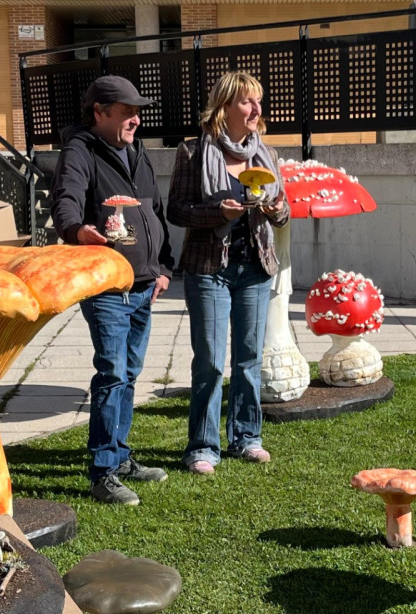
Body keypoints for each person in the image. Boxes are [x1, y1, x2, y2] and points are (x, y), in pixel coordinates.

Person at [50, 75, 175, 505]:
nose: (136, 120)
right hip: (106, 289)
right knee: (112, 374)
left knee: (129, 375)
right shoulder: (80, 151)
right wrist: (75, 231)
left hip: (144, 286)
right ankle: (103, 472)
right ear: (99, 112)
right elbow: (65, 200)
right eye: (126, 112)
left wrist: (163, 268)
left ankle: (120, 457)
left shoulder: (137, 152)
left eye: (138, 112)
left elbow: (155, 211)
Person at [167, 71, 290, 475]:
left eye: (258, 100)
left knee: (248, 358)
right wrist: (216, 212)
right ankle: (203, 446)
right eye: (247, 101)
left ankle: (247, 437)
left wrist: (276, 209)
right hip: (209, 269)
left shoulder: (266, 155)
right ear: (224, 107)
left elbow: (284, 211)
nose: (256, 108)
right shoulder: (192, 151)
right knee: (210, 361)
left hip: (255, 267)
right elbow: (176, 210)